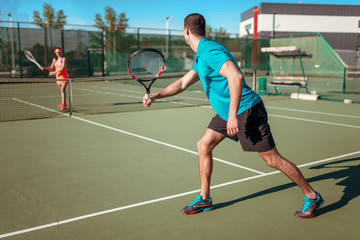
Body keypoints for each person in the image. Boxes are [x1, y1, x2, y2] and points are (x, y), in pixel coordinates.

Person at [143, 13, 324, 219]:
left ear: (186, 31)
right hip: (229, 111)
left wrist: (232, 116)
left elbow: (235, 76)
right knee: (204, 144)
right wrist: (156, 95)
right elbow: (183, 83)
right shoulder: (201, 54)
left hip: (245, 110)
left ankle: (312, 196)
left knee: (272, 160)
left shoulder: (210, 50)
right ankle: (205, 198)